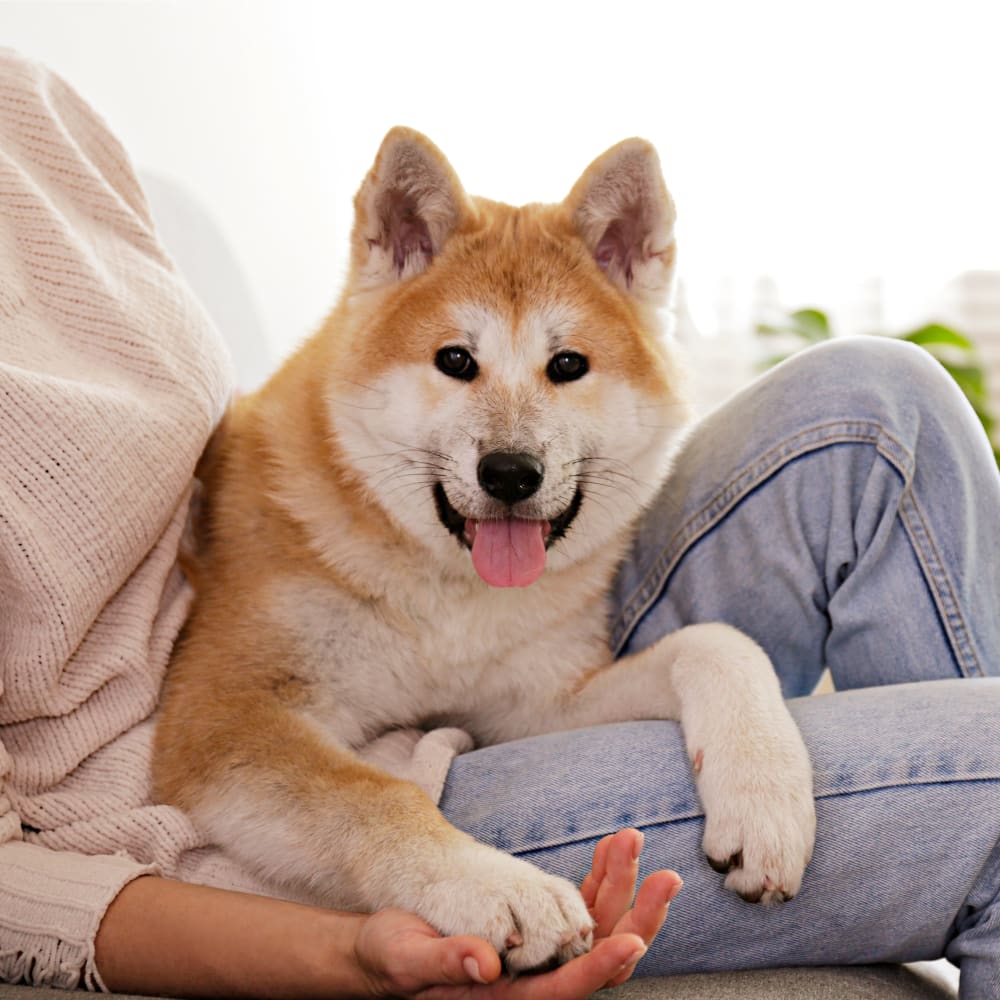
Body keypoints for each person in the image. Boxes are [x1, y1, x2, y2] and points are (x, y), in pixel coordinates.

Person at [0, 47, 997, 1000]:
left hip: (485, 659)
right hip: (310, 799)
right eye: (457, 364)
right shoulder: (291, 507)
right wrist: (390, 889)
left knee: (883, 403)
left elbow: (544, 700)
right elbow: (212, 748)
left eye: (565, 369)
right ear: (390, 248)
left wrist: (718, 669)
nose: (509, 448)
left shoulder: (41, 116)